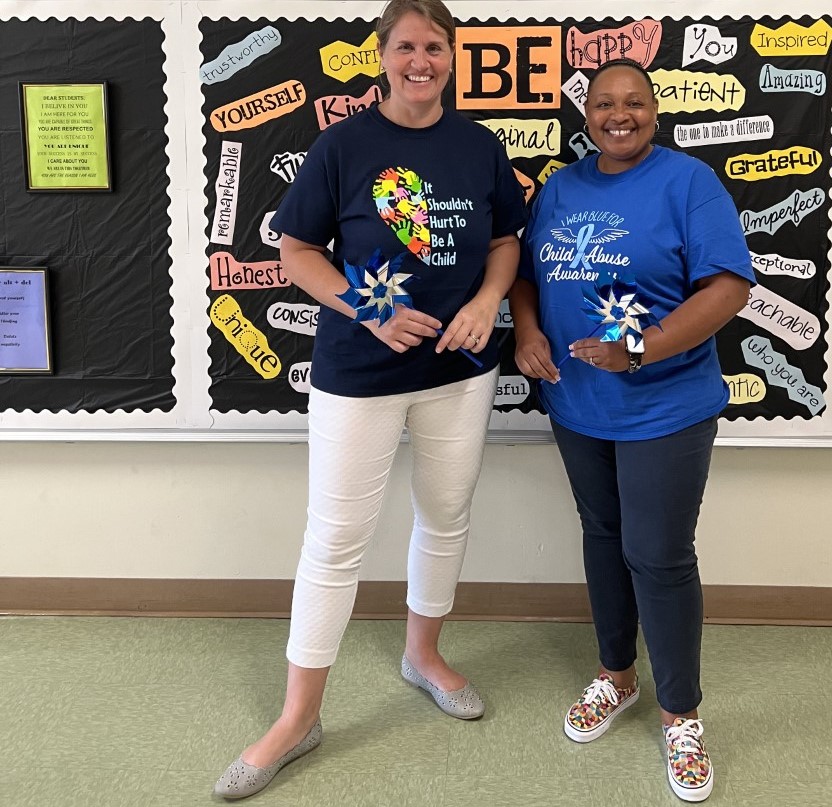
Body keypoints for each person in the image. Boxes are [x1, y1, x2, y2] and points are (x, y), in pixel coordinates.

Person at [214, 0, 526, 799]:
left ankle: (423, 656)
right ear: (381, 56)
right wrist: (368, 309)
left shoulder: (478, 145)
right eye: (406, 47)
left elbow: (503, 240)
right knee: (335, 538)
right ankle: (298, 717)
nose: (421, 61)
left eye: (436, 47)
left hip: (461, 369)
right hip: (359, 373)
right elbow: (295, 250)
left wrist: (488, 300)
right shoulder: (342, 144)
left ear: (453, 57)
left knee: (446, 513)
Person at [509, 58, 754, 803]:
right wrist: (524, 331)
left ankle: (681, 713)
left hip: (666, 406)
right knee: (604, 535)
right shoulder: (561, 187)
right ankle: (617, 675)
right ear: (587, 114)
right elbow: (524, 272)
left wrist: (640, 350)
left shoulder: (687, 182)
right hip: (577, 404)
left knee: (658, 554)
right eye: (605, 104)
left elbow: (729, 287)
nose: (621, 115)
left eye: (635, 102)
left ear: (655, 109)